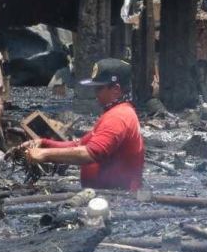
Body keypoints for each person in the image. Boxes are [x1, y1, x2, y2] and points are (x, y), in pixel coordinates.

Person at [23, 59, 145, 190]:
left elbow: (91, 153)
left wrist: (45, 154)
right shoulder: (117, 113)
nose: (95, 93)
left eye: (99, 88)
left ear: (115, 89)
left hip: (118, 200)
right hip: (107, 195)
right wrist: (44, 143)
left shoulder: (118, 116)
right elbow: (79, 145)